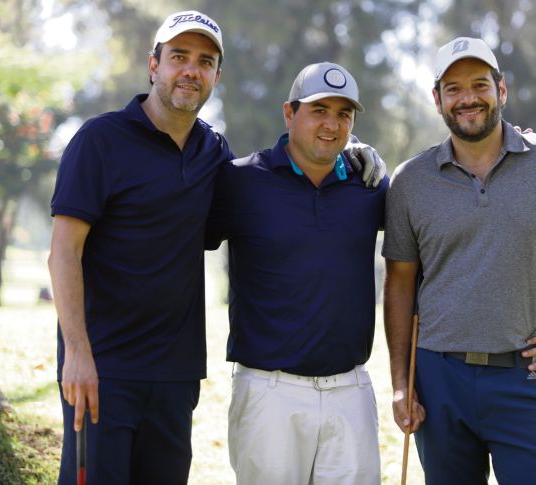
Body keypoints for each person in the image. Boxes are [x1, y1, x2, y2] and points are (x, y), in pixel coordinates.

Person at [48, 10, 385, 484]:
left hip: (175, 373)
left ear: (216, 76)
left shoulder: (214, 154)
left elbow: (293, 168)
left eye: (205, 61)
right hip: (104, 366)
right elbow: (63, 252)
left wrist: (351, 148)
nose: (191, 70)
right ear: (153, 64)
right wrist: (77, 354)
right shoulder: (99, 140)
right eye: (179, 57)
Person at [382, 36, 536, 485]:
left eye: (480, 84)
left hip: (526, 378)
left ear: (501, 90)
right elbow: (399, 283)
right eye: (453, 89)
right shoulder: (410, 181)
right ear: (437, 99)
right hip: (438, 380)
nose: (468, 98)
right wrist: (402, 384)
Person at [205, 61, 387, 485]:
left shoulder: (370, 185)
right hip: (268, 392)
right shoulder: (240, 180)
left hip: (351, 392)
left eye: (344, 114)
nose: (332, 124)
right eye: (319, 110)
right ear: (289, 113)